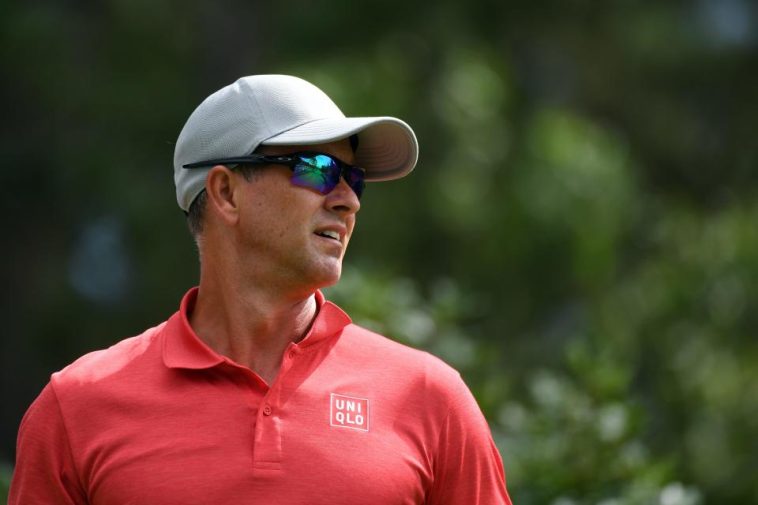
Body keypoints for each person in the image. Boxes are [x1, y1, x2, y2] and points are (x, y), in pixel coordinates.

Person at [9, 74, 512, 504]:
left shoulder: (428, 398)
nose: (347, 202)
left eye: (353, 180)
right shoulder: (76, 408)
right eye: (318, 170)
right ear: (225, 192)